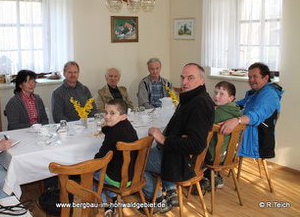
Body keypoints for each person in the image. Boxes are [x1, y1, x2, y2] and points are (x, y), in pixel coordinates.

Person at [142, 63, 215, 214]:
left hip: (183, 163)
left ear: (202, 81)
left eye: (190, 78)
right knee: (150, 149)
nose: (184, 82)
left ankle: (158, 200)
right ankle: (170, 190)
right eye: (182, 78)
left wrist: (163, 139)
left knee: (134, 160)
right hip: (181, 158)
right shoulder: (193, 98)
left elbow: (195, 144)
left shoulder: (199, 104)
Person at [219, 62, 283, 160]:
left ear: (265, 78)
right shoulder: (255, 93)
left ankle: (212, 166)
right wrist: (219, 104)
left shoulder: (270, 95)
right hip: (246, 132)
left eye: (255, 76)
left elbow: (256, 115)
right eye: (249, 77)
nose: (251, 80)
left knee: (215, 133)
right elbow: (239, 104)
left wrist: (237, 120)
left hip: (255, 140)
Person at [93, 99, 138, 215]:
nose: (107, 116)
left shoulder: (113, 135)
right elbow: (111, 130)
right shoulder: (127, 126)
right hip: (132, 176)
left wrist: (91, 163)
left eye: (112, 113)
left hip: (117, 179)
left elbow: (100, 158)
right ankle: (115, 198)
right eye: (106, 112)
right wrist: (105, 128)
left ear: (123, 116)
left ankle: (105, 207)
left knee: (89, 174)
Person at [201, 81, 242, 191]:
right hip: (230, 156)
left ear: (231, 98)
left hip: (215, 157)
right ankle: (214, 176)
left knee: (193, 145)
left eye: (222, 93)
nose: (217, 96)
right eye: (215, 92)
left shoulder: (219, 113)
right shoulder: (236, 110)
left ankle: (203, 177)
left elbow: (201, 124)